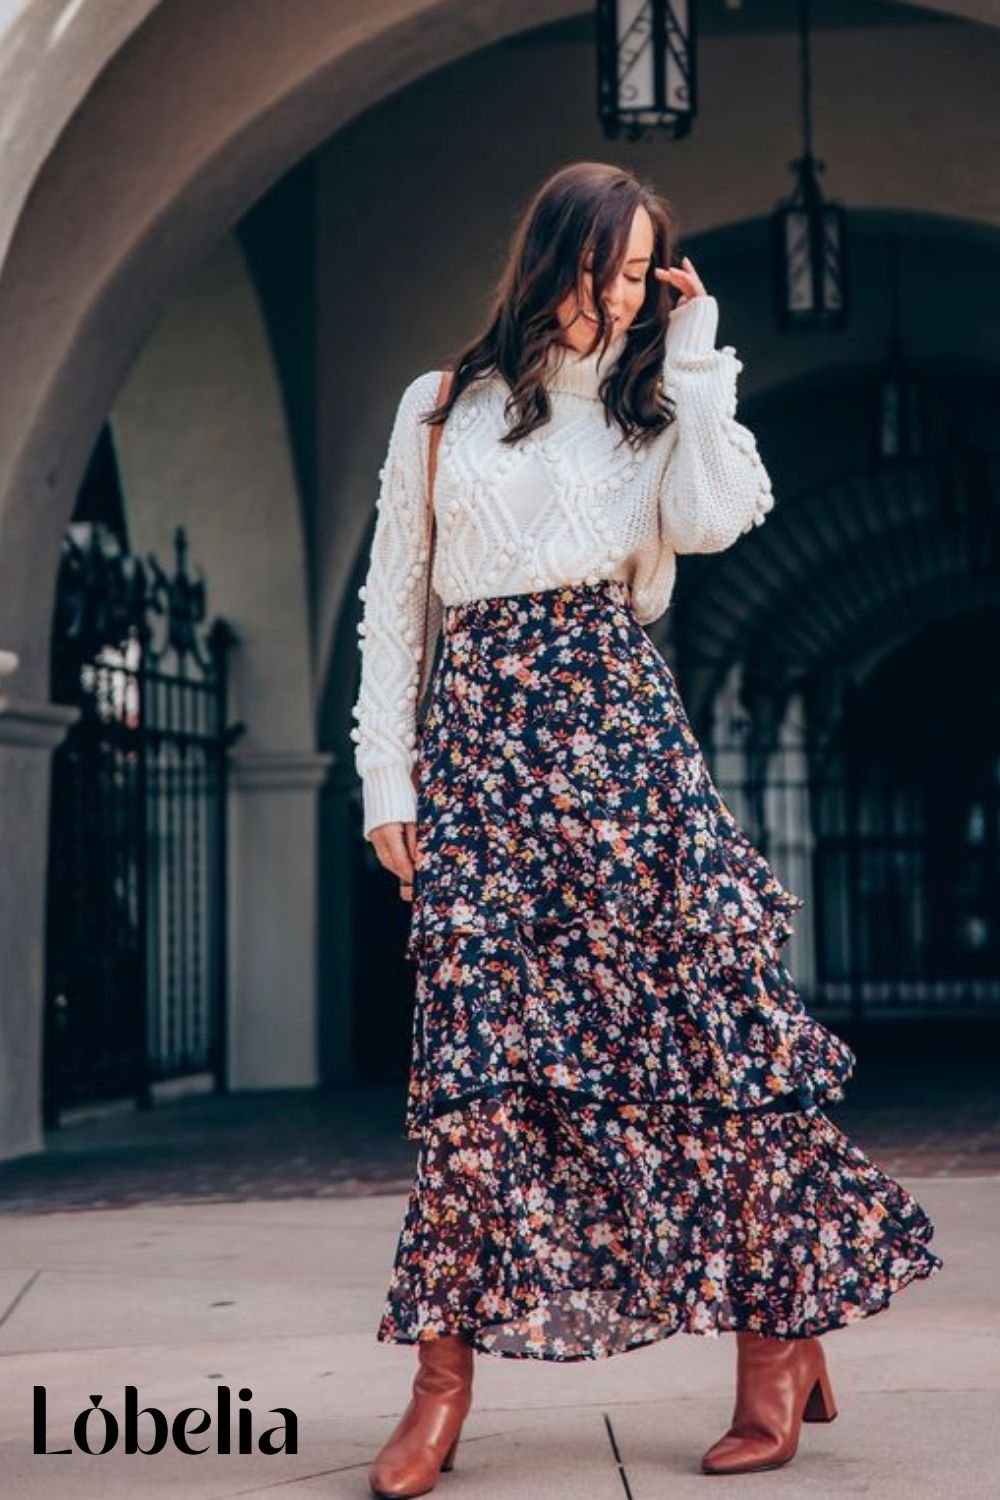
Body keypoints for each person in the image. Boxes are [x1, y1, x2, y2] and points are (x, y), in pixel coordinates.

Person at [350, 161, 942, 1497]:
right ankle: (439, 1385)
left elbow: (720, 517)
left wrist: (699, 355)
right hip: (484, 767)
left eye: (635, 279)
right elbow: (397, 604)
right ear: (547, 255)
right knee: (472, 1076)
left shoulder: (650, 411)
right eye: (601, 271)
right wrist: (389, 781)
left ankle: (775, 1340)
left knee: (711, 1049)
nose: (613, 299)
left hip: (622, 755)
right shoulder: (439, 410)